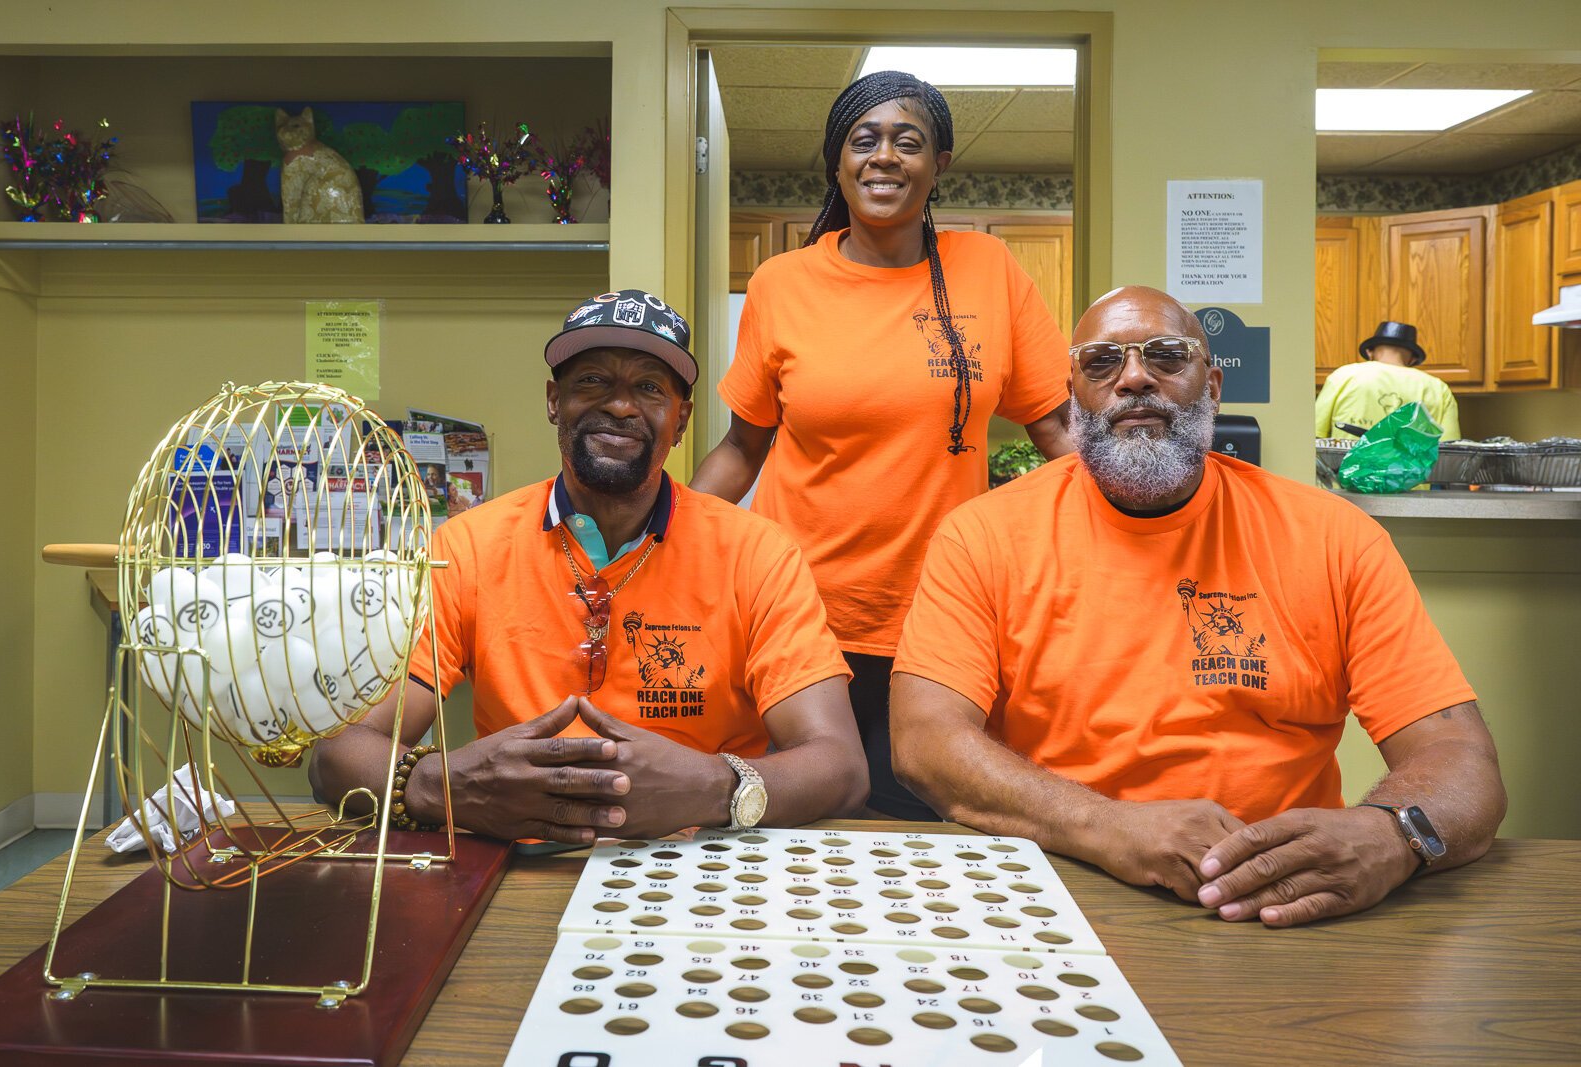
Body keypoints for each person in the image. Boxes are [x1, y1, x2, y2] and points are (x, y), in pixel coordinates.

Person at [890, 285, 1506, 927]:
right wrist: (1108, 828)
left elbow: (1460, 758)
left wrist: (1392, 836)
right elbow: (924, 740)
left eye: (1165, 356)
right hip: (1057, 887)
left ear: (1212, 387)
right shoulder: (984, 535)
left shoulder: (1334, 539)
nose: (1133, 378)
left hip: (1290, 901)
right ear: (1073, 397)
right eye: (1102, 363)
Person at [310, 289, 869, 843]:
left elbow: (840, 768)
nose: (620, 405)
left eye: (649, 388)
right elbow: (337, 755)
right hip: (514, 866)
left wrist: (708, 786)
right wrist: (450, 783)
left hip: (700, 869)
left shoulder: (757, 553)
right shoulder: (469, 547)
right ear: (555, 400)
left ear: (681, 419)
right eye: (592, 381)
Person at [691, 70, 1074, 820]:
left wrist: (1142, 520)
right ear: (838, 162)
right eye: (864, 141)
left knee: (928, 828)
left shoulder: (989, 270)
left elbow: (1058, 428)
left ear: (941, 164)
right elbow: (742, 447)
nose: (885, 157)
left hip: (943, 616)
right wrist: (656, 532)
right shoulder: (782, 283)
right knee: (796, 827)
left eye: (909, 141)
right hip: (798, 615)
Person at [1315, 321, 1460, 439]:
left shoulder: (1344, 375)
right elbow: (1450, 450)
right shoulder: (1438, 388)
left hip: (1343, 472)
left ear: (1369, 352)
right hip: (1410, 475)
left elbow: (1314, 433)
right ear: (1412, 359)